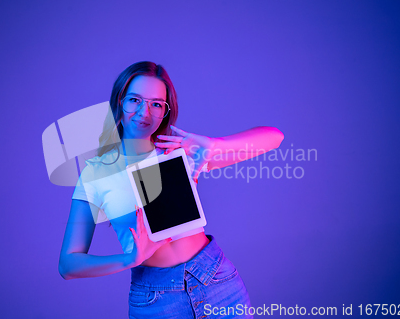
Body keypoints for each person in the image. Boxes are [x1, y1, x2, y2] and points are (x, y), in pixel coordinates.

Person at [58, 61, 284, 318]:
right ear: (120, 101)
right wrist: (129, 259)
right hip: (155, 300)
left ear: (165, 111)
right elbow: (68, 264)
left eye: (156, 104)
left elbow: (274, 137)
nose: (144, 112)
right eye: (135, 100)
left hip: (217, 284)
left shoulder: (179, 152)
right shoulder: (95, 174)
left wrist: (211, 145)